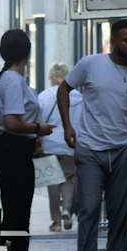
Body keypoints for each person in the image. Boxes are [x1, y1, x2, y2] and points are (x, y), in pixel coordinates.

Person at [58, 18, 127, 251]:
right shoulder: (91, 64)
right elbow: (64, 89)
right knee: (87, 209)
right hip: (89, 148)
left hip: (124, 149)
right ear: (113, 41)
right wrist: (67, 125)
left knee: (119, 212)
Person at [0, 28, 54, 251]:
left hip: (9, 149)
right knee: (17, 218)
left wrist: (31, 134)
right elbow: (13, 121)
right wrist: (39, 128)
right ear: (27, 53)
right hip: (13, 150)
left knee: (15, 215)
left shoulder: (3, 78)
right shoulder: (13, 81)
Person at [38, 62, 82, 232]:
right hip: (70, 143)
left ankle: (56, 222)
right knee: (69, 178)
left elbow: (38, 119)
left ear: (50, 77)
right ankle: (67, 210)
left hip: (49, 144)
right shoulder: (78, 96)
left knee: (52, 182)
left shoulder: (43, 96)